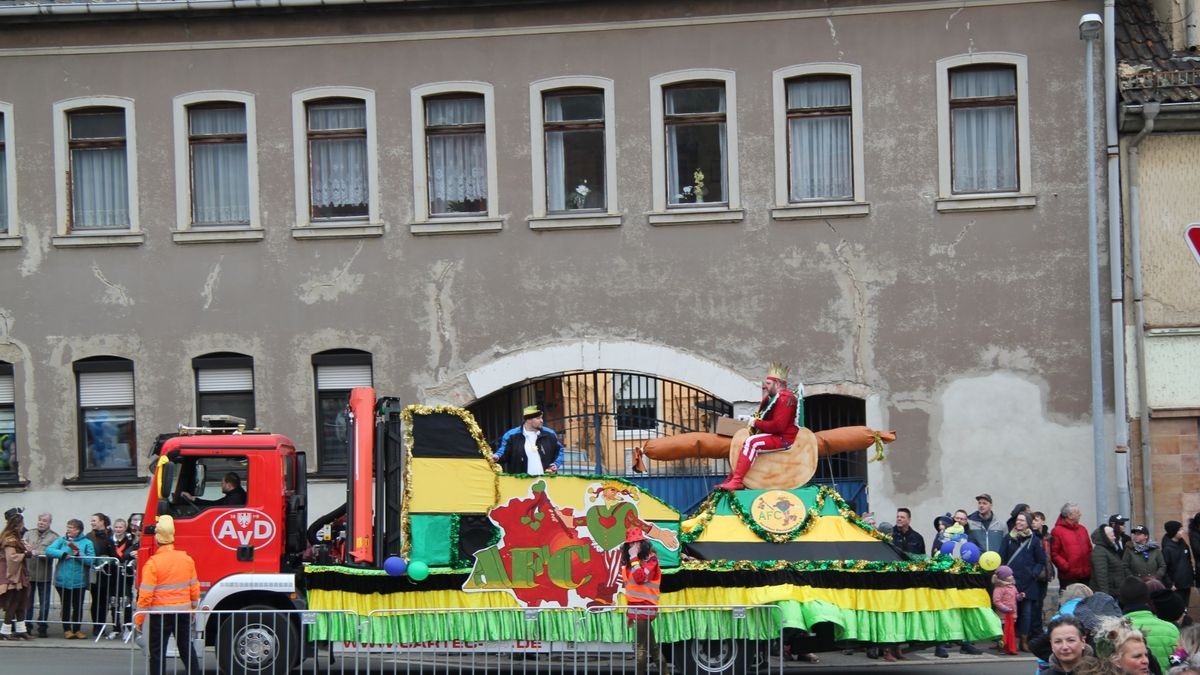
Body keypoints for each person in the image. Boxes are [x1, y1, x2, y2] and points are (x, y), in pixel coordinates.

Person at [715, 363, 799, 491]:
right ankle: (733, 478)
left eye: (768, 384)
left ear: (777, 384)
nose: (765, 386)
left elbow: (778, 426)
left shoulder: (785, 398)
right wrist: (750, 419)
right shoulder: (772, 398)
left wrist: (755, 423)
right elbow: (762, 417)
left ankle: (737, 481)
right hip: (775, 435)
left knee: (752, 442)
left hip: (783, 438)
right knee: (744, 441)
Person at [136, 515, 200, 675]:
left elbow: (146, 595)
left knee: (157, 652)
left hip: (161, 615)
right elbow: (194, 589)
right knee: (186, 648)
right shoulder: (187, 559)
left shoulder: (153, 563)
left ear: (157, 540)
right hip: (183, 613)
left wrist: (139, 618)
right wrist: (193, 609)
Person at [1003, 510, 1047, 652]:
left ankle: (1024, 640)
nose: (1019, 523)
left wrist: (1034, 574)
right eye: (1018, 520)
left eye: (1022, 520)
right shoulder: (1008, 538)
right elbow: (1001, 558)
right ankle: (1012, 641)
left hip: (1029, 583)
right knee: (1011, 612)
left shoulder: (1034, 540)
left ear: (1028, 523)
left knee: (1026, 613)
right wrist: (1004, 576)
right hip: (1011, 582)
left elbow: (1041, 560)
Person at [620, 527, 661, 674]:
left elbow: (640, 578)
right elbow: (631, 589)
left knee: (640, 648)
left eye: (636, 543)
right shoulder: (629, 564)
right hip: (635, 608)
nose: (633, 547)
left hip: (645, 607)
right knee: (653, 648)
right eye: (630, 544)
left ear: (642, 543)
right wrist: (629, 613)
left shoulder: (652, 559)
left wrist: (633, 557)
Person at [47, 518, 94, 639]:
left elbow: (91, 560)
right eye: (68, 527)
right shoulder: (61, 541)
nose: (68, 530)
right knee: (66, 605)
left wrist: (78, 555)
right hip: (63, 580)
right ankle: (67, 629)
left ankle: (77, 629)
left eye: (71, 528)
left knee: (78, 606)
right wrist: (62, 554)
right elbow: (49, 550)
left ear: (78, 530)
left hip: (79, 580)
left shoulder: (87, 542)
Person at [1121, 576, 1180, 673]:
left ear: (1121, 599)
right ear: (1147, 597)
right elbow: (1179, 661)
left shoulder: (1116, 631)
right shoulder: (1171, 629)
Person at [492, 406, 564, 476]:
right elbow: (503, 451)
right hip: (521, 481)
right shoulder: (511, 435)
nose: (541, 421)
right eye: (538, 418)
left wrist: (556, 464)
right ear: (528, 420)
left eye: (541, 418)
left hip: (546, 481)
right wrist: (497, 456)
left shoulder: (550, 434)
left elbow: (559, 451)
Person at [21, 512, 56, 638]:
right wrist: (27, 550)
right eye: (40, 520)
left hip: (43, 575)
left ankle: (42, 627)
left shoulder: (53, 537)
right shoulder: (29, 533)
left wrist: (37, 552)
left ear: (49, 523)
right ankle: (27, 626)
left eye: (44, 521)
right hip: (29, 574)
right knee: (28, 603)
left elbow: (52, 552)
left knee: (44, 603)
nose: (41, 522)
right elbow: (22, 546)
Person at [0, 508, 32, 640]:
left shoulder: (16, 538)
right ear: (17, 525)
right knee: (13, 601)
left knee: (21, 601)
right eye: (22, 524)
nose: (23, 527)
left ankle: (21, 629)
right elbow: (11, 557)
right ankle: (5, 631)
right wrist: (25, 554)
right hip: (11, 572)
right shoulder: (9, 538)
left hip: (19, 571)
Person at [86, 512, 118, 638]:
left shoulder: (111, 535)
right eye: (92, 520)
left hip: (110, 573)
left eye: (94, 520)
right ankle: (97, 626)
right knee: (96, 600)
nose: (92, 523)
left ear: (102, 522)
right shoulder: (89, 536)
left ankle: (108, 625)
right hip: (96, 572)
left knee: (106, 601)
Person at [1055, 502, 1095, 591]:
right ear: (1069, 515)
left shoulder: (1082, 529)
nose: (1080, 514)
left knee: (1085, 602)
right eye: (1077, 512)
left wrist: (1089, 565)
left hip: (1085, 575)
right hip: (1069, 576)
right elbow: (1054, 553)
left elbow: (1089, 549)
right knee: (1069, 601)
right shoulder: (1057, 531)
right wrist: (1065, 566)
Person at [1035, 510, 1058, 638]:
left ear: (1043, 521)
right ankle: (1036, 629)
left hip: (1045, 573)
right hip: (1037, 574)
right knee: (1036, 603)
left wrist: (1051, 569)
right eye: (1033, 520)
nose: (1034, 522)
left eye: (1037, 520)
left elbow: (1049, 556)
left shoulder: (1048, 537)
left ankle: (1039, 629)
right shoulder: (1033, 537)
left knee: (1041, 601)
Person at [1163, 521, 1194, 607]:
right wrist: (1170, 584)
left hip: (1186, 582)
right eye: (1180, 530)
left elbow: (1189, 561)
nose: (1182, 531)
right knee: (1177, 607)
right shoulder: (1167, 548)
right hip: (1176, 585)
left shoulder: (1183, 544)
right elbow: (1164, 568)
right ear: (1173, 531)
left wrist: (1191, 576)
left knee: (1185, 606)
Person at [1093, 525, 1127, 597]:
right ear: (1105, 538)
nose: (1115, 537)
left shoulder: (1109, 549)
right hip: (1109, 593)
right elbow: (1101, 576)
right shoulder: (1100, 552)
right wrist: (1105, 596)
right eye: (1112, 536)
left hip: (1114, 590)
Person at [994, 565, 1021, 655]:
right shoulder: (999, 588)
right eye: (1009, 575)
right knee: (1003, 633)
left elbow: (1016, 596)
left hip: (1012, 614)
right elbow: (996, 601)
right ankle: (1002, 647)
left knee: (1010, 631)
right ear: (1004, 578)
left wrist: (1020, 596)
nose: (1012, 576)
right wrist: (1004, 608)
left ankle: (1009, 646)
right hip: (1003, 615)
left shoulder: (1012, 587)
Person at [180, 472, 247, 507]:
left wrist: (194, 500)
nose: (221, 486)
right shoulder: (235, 495)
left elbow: (215, 506)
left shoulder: (234, 500)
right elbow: (215, 503)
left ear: (229, 485)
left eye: (222, 483)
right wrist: (193, 499)